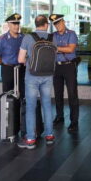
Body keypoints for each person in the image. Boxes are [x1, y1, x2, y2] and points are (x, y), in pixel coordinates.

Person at [17, 15, 56, 149]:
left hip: (32, 76)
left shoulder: (28, 37)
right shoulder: (52, 38)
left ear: (36, 24)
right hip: (48, 76)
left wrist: (29, 58)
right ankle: (49, 135)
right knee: (47, 105)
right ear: (46, 24)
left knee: (31, 107)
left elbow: (20, 59)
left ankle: (30, 139)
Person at [50, 14, 79, 132]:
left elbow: (71, 49)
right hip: (57, 67)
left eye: (59, 22)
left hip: (69, 66)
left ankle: (74, 121)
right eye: (55, 24)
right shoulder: (52, 36)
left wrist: (56, 48)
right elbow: (50, 49)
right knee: (58, 94)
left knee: (72, 94)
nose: (57, 25)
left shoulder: (71, 34)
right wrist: (62, 48)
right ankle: (59, 116)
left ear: (63, 22)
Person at [0, 13, 25, 97]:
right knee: (8, 95)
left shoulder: (23, 37)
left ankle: (20, 110)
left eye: (18, 24)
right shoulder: (2, 39)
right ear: (9, 25)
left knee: (22, 93)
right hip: (8, 70)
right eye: (14, 24)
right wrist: (4, 64)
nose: (16, 26)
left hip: (21, 69)